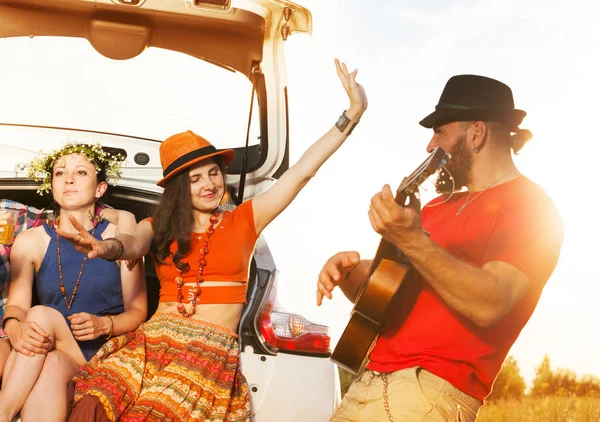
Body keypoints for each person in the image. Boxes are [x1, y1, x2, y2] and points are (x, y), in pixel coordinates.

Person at [60, 58, 367, 422]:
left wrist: (352, 114)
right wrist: (105, 248)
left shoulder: (245, 219)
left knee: (154, 413)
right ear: (178, 188)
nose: (209, 184)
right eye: (195, 179)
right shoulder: (158, 225)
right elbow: (132, 244)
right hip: (150, 342)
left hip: (206, 349)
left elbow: (301, 172)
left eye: (213, 174)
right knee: (93, 401)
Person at [317, 75, 564, 421]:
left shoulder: (531, 206)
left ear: (476, 133)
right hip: (366, 384)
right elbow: (387, 295)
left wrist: (412, 240)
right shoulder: (433, 208)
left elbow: (491, 302)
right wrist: (349, 274)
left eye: (440, 132)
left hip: (427, 393)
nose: (430, 146)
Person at [0, 144, 147, 422]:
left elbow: (138, 312)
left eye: (80, 172)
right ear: (52, 187)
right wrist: (14, 326)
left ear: (99, 188)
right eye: (59, 173)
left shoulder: (121, 238)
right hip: (56, 350)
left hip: (106, 350)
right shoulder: (30, 241)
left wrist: (106, 324)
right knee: (49, 358)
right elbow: (17, 306)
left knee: (40, 314)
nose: (68, 179)